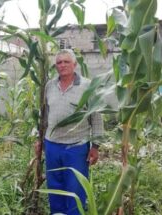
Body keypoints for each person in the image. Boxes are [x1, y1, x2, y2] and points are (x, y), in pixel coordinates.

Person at [36, 49, 104, 215]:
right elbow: (44, 115)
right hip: (52, 146)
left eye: (66, 62)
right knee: (55, 187)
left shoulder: (87, 86)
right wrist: (39, 139)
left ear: (75, 64)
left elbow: (96, 117)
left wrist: (95, 146)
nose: (62, 65)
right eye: (59, 62)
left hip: (76, 148)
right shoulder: (50, 86)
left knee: (75, 189)